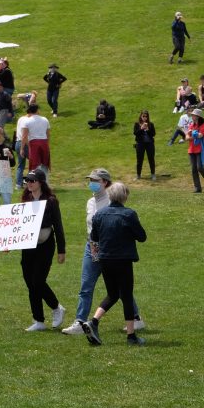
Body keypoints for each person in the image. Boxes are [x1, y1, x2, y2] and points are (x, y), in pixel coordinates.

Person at [62, 169, 146, 337]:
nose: (91, 182)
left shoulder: (112, 200)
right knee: (87, 286)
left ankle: (135, 318)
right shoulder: (90, 202)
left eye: (95, 180)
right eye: (90, 179)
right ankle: (81, 321)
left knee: (121, 289)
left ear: (106, 183)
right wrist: (93, 247)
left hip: (110, 249)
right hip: (93, 246)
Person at [83, 183, 147, 346]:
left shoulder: (100, 214)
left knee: (113, 294)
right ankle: (131, 336)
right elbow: (142, 237)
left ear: (110, 195)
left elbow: (94, 238)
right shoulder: (129, 214)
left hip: (105, 260)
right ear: (124, 196)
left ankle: (93, 322)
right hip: (123, 260)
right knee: (126, 296)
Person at [19, 169, 66, 331]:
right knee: (30, 283)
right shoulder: (25, 199)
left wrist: (61, 250)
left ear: (40, 182)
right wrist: (8, 243)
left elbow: (58, 226)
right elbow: (17, 226)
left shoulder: (51, 201)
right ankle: (38, 320)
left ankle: (56, 308)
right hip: (28, 245)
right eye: (27, 181)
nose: (29, 184)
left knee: (38, 281)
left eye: (32, 181)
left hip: (45, 245)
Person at [20, 104, 51, 174]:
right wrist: (48, 145)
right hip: (44, 142)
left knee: (34, 164)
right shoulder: (45, 120)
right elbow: (48, 134)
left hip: (34, 143)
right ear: (37, 110)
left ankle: (35, 181)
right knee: (44, 163)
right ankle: (45, 181)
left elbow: (24, 136)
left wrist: (22, 148)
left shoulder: (27, 121)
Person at [185, 108, 204, 192]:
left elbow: (200, 135)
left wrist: (191, 135)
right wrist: (192, 135)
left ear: (198, 116)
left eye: (193, 115)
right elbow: (186, 137)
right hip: (191, 149)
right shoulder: (191, 125)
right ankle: (197, 187)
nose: (192, 116)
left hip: (200, 149)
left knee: (200, 168)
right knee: (194, 169)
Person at [133, 111, 156, 180]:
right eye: (143, 116)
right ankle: (138, 175)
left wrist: (148, 130)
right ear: (141, 116)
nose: (145, 118)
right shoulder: (137, 124)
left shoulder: (151, 124)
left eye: (146, 116)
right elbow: (135, 133)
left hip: (150, 144)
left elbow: (153, 134)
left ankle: (153, 174)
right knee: (139, 160)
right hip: (140, 144)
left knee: (151, 159)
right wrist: (141, 128)